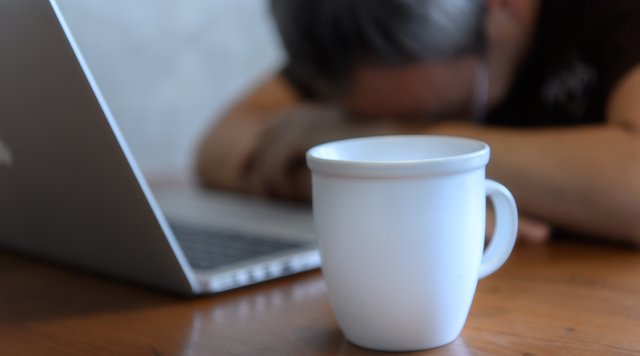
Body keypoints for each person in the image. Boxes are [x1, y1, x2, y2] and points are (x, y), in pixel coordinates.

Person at [196, 0, 640, 246]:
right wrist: (424, 196)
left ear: (504, 8)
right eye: (359, 117)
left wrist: (377, 143)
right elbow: (220, 145)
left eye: (428, 114)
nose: (394, 129)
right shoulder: (364, 30)